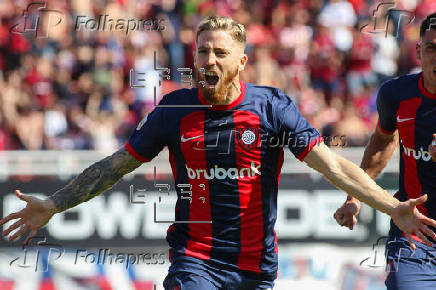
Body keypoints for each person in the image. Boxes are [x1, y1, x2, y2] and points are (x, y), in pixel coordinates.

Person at [1, 15, 436, 290]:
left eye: (220, 53)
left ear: (242, 61)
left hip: (257, 269)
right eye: (202, 50)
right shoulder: (174, 110)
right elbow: (115, 166)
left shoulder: (272, 108)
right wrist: (55, 203)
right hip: (195, 262)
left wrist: (388, 207)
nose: (208, 60)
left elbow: (333, 165)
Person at [334, 12, 436, 290]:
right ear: (418, 51)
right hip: (415, 236)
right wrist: (354, 197)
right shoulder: (396, 95)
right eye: (431, 48)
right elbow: (381, 144)